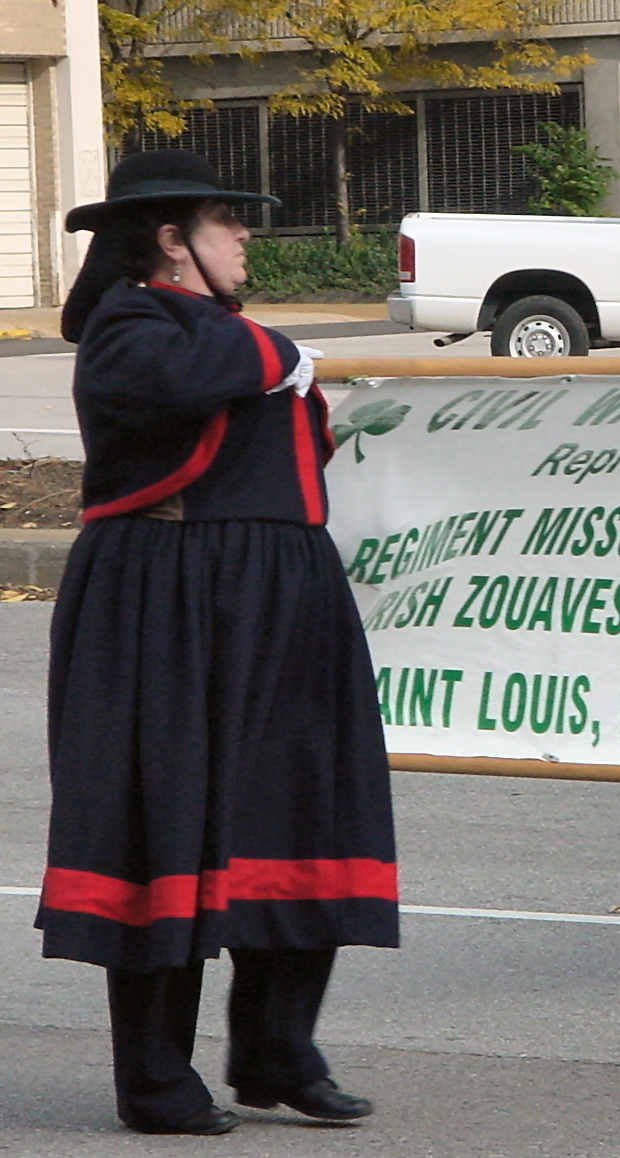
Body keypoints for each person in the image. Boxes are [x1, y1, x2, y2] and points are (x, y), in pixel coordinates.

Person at [36, 150, 400, 1133]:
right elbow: (184, 378)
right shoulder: (130, 324)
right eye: (227, 222)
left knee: (300, 811)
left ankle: (278, 1049)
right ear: (170, 239)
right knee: (170, 826)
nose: (245, 237)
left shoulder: (228, 329)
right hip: (167, 602)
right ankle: (156, 1080)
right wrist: (282, 355)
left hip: (285, 602)